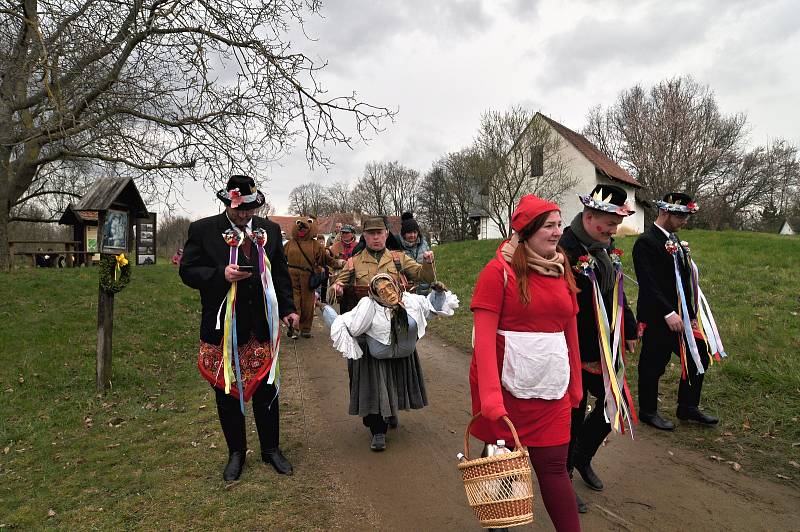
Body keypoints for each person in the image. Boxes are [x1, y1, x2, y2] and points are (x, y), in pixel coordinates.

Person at [470, 194, 582, 532]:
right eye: (549, 226)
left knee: (554, 468)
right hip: (506, 391)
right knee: (504, 468)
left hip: (552, 390)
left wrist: (575, 383)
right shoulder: (497, 272)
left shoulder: (561, 268)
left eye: (559, 225)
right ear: (528, 230)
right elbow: (484, 339)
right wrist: (490, 397)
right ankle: (499, 525)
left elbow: (570, 330)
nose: (557, 232)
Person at [180, 174, 299, 481]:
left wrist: (287, 309)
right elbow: (188, 271)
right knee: (227, 392)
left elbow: (281, 276)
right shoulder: (204, 230)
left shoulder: (269, 231)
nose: (245, 215)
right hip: (223, 330)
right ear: (227, 204)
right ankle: (236, 453)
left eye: (250, 209)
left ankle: (271, 449)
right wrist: (221, 273)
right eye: (240, 210)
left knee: (266, 389)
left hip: (261, 326)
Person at [559, 185, 638, 512]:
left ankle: (582, 457)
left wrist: (630, 326)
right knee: (572, 417)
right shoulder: (564, 249)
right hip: (573, 348)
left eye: (616, 224)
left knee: (612, 405)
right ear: (590, 217)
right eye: (609, 223)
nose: (614, 230)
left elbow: (615, 293)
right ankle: (561, 480)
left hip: (605, 348)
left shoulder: (604, 247)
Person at [321, 274, 458, 451]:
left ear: (396, 286)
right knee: (376, 392)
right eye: (382, 291)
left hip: (401, 354)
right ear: (374, 294)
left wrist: (438, 293)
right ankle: (378, 431)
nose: (388, 293)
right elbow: (353, 328)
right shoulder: (369, 306)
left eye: (390, 288)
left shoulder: (411, 301)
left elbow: (432, 309)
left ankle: (391, 411)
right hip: (373, 356)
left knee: (395, 385)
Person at [330, 215, 437, 443]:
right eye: (371, 234)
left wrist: (428, 263)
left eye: (380, 233)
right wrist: (338, 288)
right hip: (368, 331)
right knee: (371, 377)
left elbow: (423, 276)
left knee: (396, 372)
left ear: (386, 235)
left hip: (396, 328)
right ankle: (376, 427)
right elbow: (337, 285)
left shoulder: (399, 259)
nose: (376, 237)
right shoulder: (353, 262)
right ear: (365, 236)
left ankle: (392, 410)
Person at [633, 193, 720, 431]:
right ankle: (648, 411)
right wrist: (668, 313)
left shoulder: (676, 242)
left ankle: (687, 407)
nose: (685, 221)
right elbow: (649, 284)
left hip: (681, 316)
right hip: (658, 315)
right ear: (664, 212)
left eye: (686, 215)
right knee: (653, 363)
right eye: (680, 215)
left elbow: (684, 281)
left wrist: (690, 313)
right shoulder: (646, 242)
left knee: (698, 353)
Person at [284, 216, 341, 338]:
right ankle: (294, 327)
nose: (302, 227)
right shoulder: (289, 244)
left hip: (308, 277)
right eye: (299, 224)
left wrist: (340, 263)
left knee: (308, 303)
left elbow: (327, 260)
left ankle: (305, 328)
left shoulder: (315, 245)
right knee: (294, 302)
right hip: (291, 276)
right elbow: (280, 259)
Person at [399, 212, 432, 295]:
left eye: (415, 232)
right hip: (408, 293)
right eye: (409, 233)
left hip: (425, 290)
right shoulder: (398, 247)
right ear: (403, 234)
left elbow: (429, 266)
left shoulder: (424, 244)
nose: (412, 235)